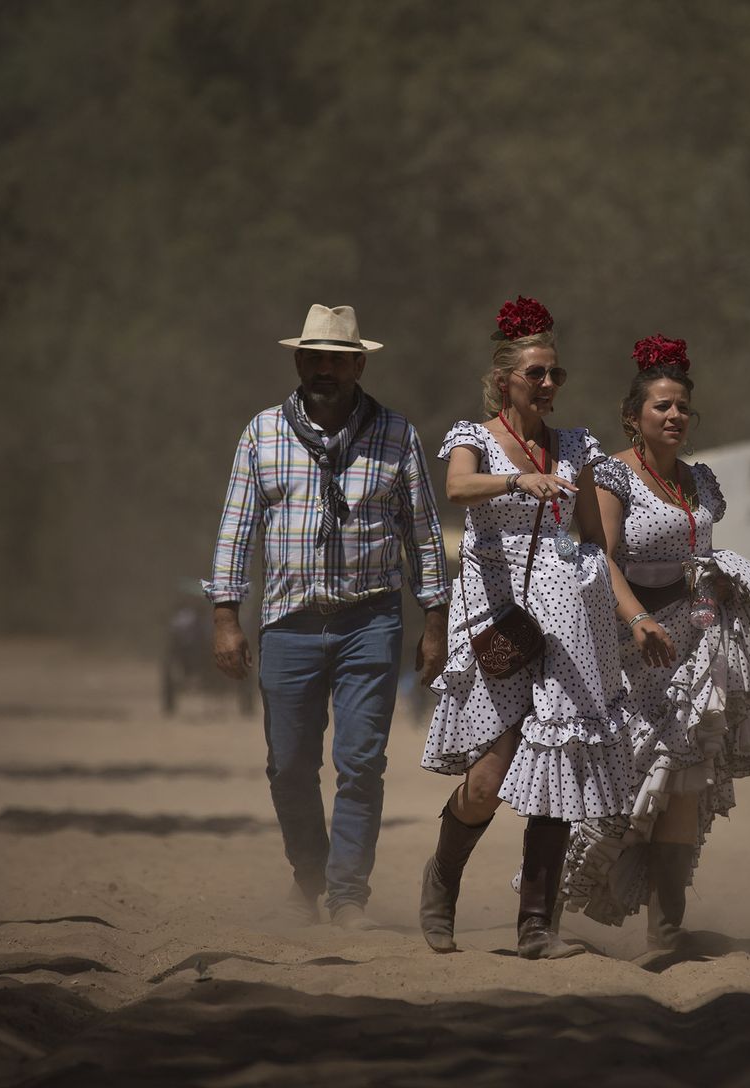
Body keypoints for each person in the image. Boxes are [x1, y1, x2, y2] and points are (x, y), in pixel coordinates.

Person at [206, 304, 448, 930]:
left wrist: (435, 622)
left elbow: (423, 535)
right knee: (289, 764)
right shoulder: (262, 432)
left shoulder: (396, 433)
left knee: (361, 762)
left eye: (337, 361)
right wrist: (226, 617)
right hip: (288, 621)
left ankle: (347, 896)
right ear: (298, 361)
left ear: (358, 366)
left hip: (370, 621)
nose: (325, 371)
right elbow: (235, 531)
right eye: (314, 359)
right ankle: (308, 874)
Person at [418, 296, 634, 960]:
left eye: (555, 374)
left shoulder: (576, 447)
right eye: (535, 373)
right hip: (497, 611)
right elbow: (457, 489)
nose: (547, 384)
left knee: (558, 765)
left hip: (565, 618)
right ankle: (441, 878)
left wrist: (626, 613)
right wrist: (518, 481)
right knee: (487, 781)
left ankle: (537, 925)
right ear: (504, 378)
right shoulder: (473, 437)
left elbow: (594, 541)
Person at [560, 333, 750, 956]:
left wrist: (719, 587)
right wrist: (636, 619)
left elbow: (698, 553)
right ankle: (543, 915)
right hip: (625, 644)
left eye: (683, 406)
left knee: (684, 777)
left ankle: (666, 933)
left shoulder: (700, 480)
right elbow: (597, 559)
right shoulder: (610, 475)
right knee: (616, 784)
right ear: (633, 415)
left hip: (691, 646)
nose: (675, 415)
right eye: (662, 406)